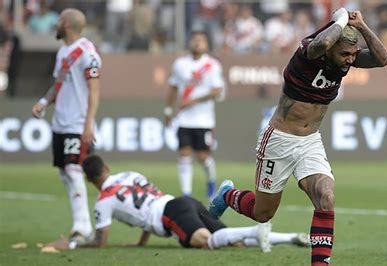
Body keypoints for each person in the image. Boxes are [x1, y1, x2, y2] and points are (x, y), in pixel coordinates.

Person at [209, 8, 387, 265]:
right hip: (279, 139)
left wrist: (361, 26)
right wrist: (339, 17)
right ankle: (228, 195)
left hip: (310, 141)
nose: (350, 60)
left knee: (326, 196)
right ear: (331, 49)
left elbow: (383, 59)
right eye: (345, 54)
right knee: (263, 214)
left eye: (352, 54)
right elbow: (325, 41)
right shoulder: (308, 52)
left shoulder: (342, 57)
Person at [45, 154, 310, 251]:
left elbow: (100, 241)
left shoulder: (103, 202)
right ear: (107, 167)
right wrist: (140, 242)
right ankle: (291, 238)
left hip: (169, 215)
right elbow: (146, 203)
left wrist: (75, 245)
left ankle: (256, 230)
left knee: (205, 242)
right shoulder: (130, 175)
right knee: (232, 242)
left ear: (91, 181)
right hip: (182, 202)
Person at [31, 8, 102, 245]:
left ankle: (83, 228)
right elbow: (58, 84)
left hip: (77, 123)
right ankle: (80, 225)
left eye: (60, 20)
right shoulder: (63, 52)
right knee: (64, 173)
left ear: (68, 25)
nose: (56, 24)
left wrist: (88, 122)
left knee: (74, 171)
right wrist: (44, 101)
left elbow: (94, 89)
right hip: (60, 123)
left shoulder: (87, 51)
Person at [164, 31, 225, 200]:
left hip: (204, 120)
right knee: (184, 154)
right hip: (184, 119)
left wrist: (195, 100)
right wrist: (168, 110)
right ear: (189, 42)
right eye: (195, 39)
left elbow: (217, 91)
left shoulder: (212, 65)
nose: (197, 43)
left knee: (203, 157)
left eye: (201, 40)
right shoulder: (180, 64)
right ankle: (186, 194)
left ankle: (211, 181)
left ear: (206, 44)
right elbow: (173, 87)